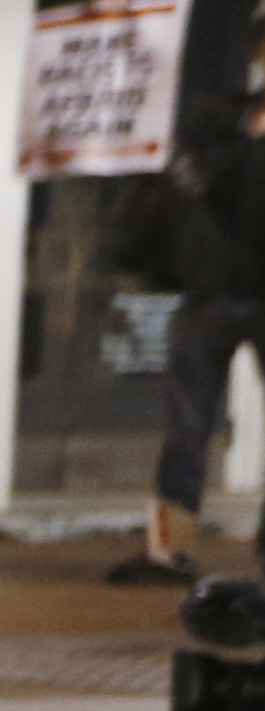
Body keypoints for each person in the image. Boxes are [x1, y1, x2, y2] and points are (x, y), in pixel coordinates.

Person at [113, 70, 264, 587]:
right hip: (209, 295)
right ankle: (170, 551)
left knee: (187, 426)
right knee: (186, 430)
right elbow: (149, 123)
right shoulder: (214, 125)